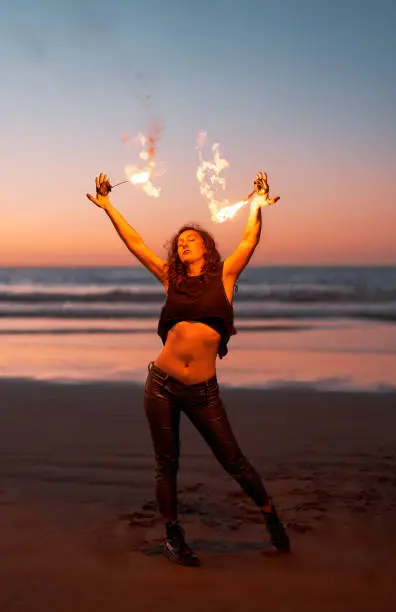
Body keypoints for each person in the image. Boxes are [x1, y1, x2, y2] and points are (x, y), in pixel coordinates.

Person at [86, 172, 290, 566]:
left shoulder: (224, 277)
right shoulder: (170, 280)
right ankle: (173, 536)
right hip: (160, 384)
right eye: (179, 241)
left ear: (207, 248)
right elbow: (137, 245)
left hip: (202, 391)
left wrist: (256, 206)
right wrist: (109, 206)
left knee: (233, 460)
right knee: (167, 463)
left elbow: (249, 240)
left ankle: (269, 514)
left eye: (191, 239)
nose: (183, 243)